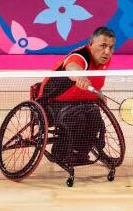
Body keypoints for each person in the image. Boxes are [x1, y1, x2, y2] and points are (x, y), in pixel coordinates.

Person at [33, 26, 116, 166]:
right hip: (52, 102)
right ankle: (60, 152)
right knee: (78, 117)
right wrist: (80, 76)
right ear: (91, 44)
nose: (107, 51)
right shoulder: (81, 55)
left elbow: (95, 82)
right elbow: (71, 66)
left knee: (94, 115)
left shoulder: (104, 59)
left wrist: (97, 92)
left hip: (78, 102)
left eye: (111, 47)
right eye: (103, 46)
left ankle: (80, 153)